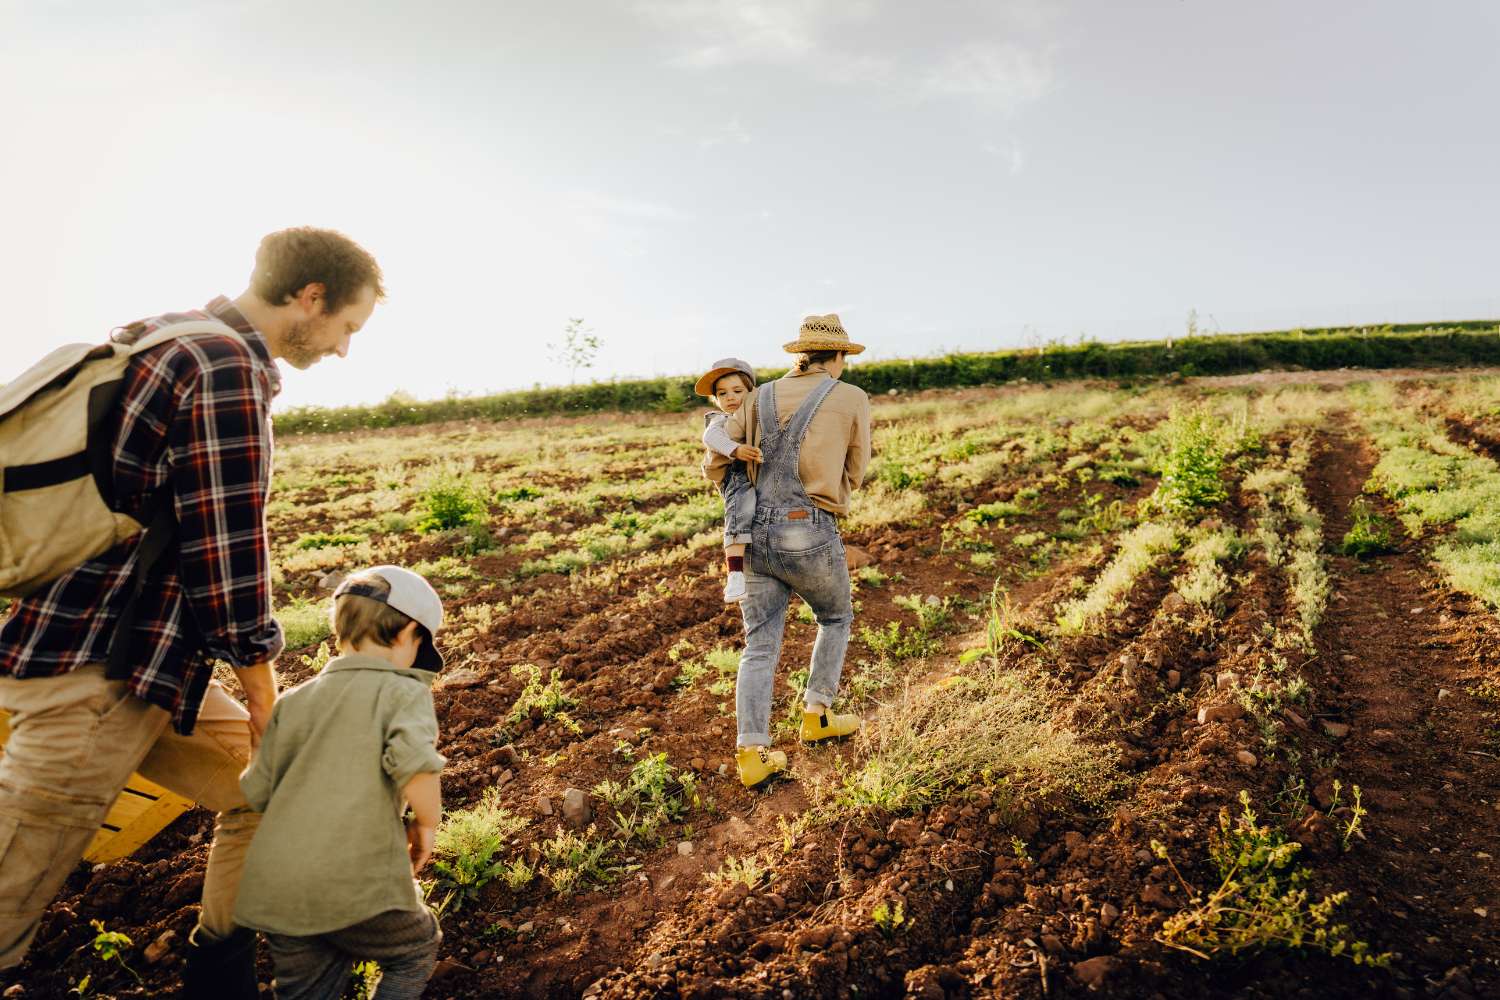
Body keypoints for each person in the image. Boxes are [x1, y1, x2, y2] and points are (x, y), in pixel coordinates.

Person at [0, 227, 384, 997]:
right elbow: (227, 552)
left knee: (273, 787)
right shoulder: (224, 366)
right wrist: (265, 699)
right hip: (93, 674)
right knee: (11, 894)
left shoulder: (167, 336)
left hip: (147, 666)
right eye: (347, 326)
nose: (344, 349)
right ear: (310, 297)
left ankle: (219, 976)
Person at [234, 567, 446, 1000]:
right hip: (356, 880)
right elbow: (416, 765)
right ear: (408, 633)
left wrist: (264, 742)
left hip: (279, 888)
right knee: (414, 949)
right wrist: (426, 826)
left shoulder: (293, 701)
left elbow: (256, 792)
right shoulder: (404, 692)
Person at [704, 314, 873, 788]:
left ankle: (752, 754)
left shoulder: (758, 397)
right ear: (837, 357)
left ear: (800, 355)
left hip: (753, 533)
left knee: (759, 645)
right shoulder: (851, 397)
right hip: (809, 528)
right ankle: (818, 715)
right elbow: (857, 468)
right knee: (835, 618)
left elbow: (715, 457)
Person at [696, 358, 764, 603]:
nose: (730, 397)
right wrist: (735, 449)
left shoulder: (760, 413)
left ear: (751, 391)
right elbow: (710, 437)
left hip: (760, 470)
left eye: (737, 391)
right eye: (722, 393)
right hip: (736, 474)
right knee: (740, 507)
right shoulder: (721, 420)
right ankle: (735, 573)